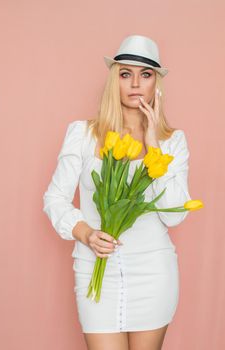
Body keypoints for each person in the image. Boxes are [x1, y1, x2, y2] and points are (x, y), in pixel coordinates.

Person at [42, 35, 192, 350]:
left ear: (157, 84)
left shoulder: (172, 142)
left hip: (154, 273)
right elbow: (55, 197)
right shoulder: (82, 134)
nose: (135, 83)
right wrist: (85, 233)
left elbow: (173, 215)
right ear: (115, 80)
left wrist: (153, 147)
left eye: (146, 74)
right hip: (96, 274)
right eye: (126, 74)